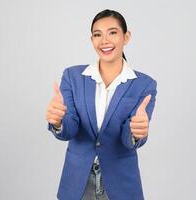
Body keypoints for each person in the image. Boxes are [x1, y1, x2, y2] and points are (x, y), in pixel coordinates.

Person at [46, 9, 157, 200]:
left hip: (120, 184)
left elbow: (127, 139)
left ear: (126, 37)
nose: (104, 41)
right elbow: (70, 128)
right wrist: (58, 122)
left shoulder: (144, 85)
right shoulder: (73, 77)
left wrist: (136, 132)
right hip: (77, 182)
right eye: (98, 34)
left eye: (112, 32)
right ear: (92, 40)